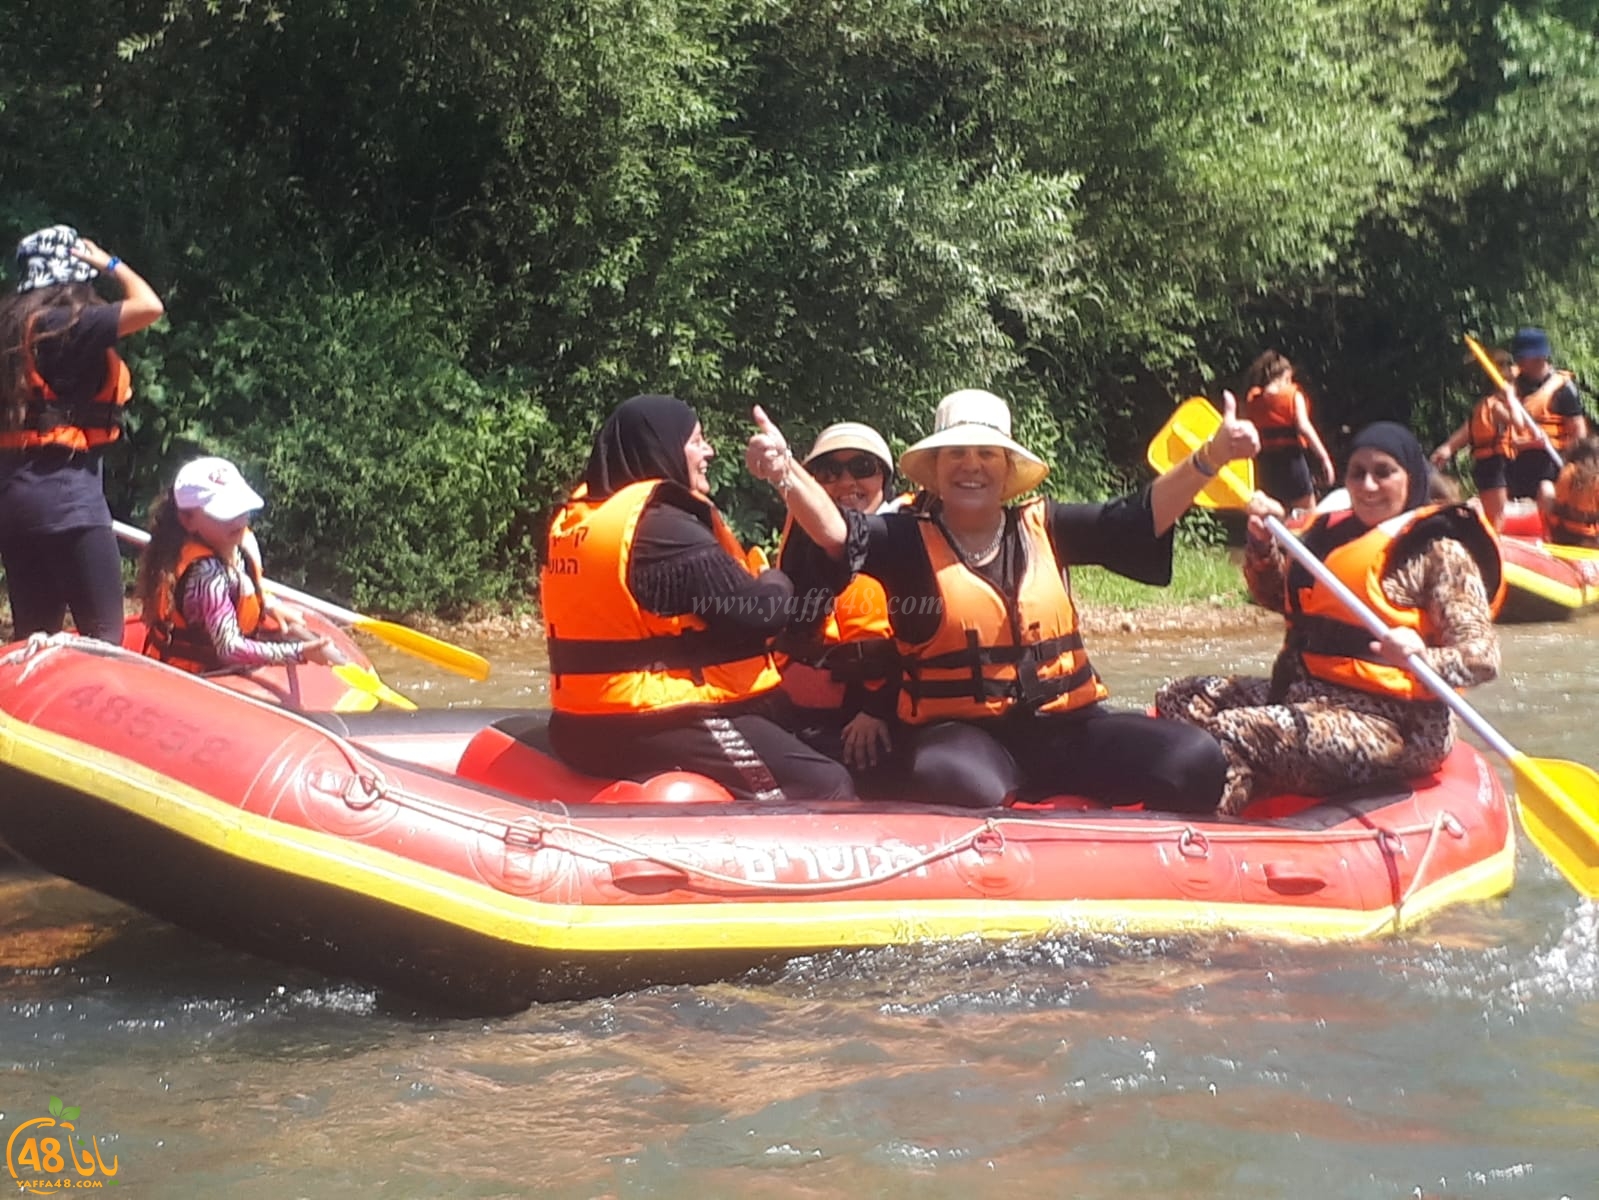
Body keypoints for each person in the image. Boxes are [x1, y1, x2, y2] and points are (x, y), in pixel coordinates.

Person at [755, 387, 1260, 812]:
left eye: (985, 454)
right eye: (956, 454)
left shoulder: (1047, 525)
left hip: (1067, 729)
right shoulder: (903, 540)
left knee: (1197, 758)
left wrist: (1209, 459)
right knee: (948, 777)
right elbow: (835, 532)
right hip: (962, 734)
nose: (970, 466)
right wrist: (785, 472)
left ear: (1005, 468)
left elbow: (1138, 517)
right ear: (936, 467)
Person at [1155, 423, 1503, 817]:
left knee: (1235, 730)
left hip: (1395, 723)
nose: (1368, 485)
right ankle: (1257, 775)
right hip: (1308, 694)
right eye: (1358, 473)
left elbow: (1483, 656)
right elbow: (1276, 597)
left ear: (1411, 477)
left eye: (1383, 472)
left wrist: (1423, 655)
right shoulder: (1327, 535)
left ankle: (1208, 831)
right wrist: (1261, 543)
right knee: (1179, 698)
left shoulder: (1440, 552)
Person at [541, 394, 854, 803]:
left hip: (582, 724)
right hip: (652, 720)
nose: (708, 451)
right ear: (662, 446)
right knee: (828, 785)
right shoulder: (664, 526)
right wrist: (775, 578)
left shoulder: (580, 518)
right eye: (696, 440)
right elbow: (759, 613)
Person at [0, 225, 164, 641]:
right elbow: (150, 306)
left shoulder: (10, 330)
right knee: (106, 639)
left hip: (14, 510)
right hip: (71, 506)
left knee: (31, 640)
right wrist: (110, 263)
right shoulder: (70, 326)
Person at [776, 422, 902, 788]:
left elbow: (924, 645)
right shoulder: (802, 541)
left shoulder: (907, 538)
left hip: (873, 717)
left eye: (863, 468)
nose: (846, 482)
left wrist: (875, 710)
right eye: (829, 471)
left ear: (884, 478)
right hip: (801, 713)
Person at [137, 456, 336, 672]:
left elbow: (240, 585)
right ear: (188, 520)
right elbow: (229, 648)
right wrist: (298, 652)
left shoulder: (233, 541)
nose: (239, 520)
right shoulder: (206, 574)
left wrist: (268, 604)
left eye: (241, 509)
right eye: (225, 513)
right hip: (194, 678)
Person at [1430, 346, 1525, 531]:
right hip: (1494, 466)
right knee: (1496, 518)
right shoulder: (1496, 407)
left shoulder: (1482, 405)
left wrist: (1447, 448)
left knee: (1496, 515)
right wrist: (1512, 398)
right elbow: (1519, 423)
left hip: (1487, 465)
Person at [1242, 351, 1334, 513]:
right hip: (1292, 461)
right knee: (1307, 514)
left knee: (1276, 514)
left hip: (1266, 463)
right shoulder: (1292, 394)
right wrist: (1324, 457)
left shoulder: (1253, 399)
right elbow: (1303, 427)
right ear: (1286, 375)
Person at [1506, 327, 1586, 503]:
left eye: (1523, 357)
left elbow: (1578, 434)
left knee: (1545, 489)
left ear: (1540, 357)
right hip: (1515, 462)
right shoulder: (1510, 384)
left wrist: (1569, 466)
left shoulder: (1564, 389)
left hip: (1550, 462)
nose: (1519, 362)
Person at [1540, 434, 1599, 548]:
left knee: (1545, 486)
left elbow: (1559, 504)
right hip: (1592, 539)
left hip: (1563, 535)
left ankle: (1546, 535)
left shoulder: (1568, 471)